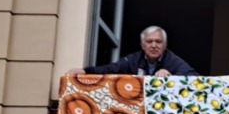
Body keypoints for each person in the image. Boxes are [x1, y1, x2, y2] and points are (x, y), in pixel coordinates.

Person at [68, 26, 197, 77]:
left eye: (158, 42)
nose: (154, 45)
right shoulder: (133, 59)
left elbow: (194, 77)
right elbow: (112, 69)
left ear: (165, 45)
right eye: (149, 41)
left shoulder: (173, 60)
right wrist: (86, 71)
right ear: (142, 45)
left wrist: (171, 76)